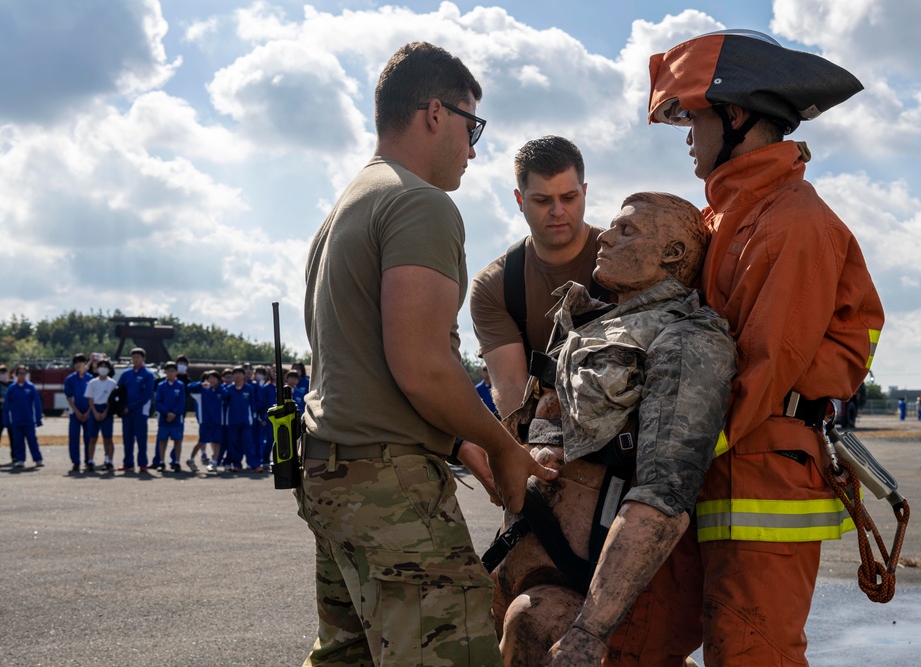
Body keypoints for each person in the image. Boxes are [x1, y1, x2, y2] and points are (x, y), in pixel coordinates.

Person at [301, 41, 555, 666]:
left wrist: (454, 442)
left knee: (348, 656)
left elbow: (367, 366)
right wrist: (502, 445)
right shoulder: (419, 202)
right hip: (388, 488)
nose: (474, 149)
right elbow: (420, 366)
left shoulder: (352, 201)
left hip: (334, 473)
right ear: (436, 114)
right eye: (475, 127)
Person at [644, 29, 885, 665]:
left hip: (762, 488)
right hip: (707, 476)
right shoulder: (725, 217)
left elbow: (763, 366)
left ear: (737, 115)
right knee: (632, 644)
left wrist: (666, 460)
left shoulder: (791, 221)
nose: (688, 136)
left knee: (752, 654)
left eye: (693, 118)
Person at [492, 192, 734, 666]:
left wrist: (591, 629)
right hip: (515, 566)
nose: (605, 235)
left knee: (534, 621)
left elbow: (664, 496)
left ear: (673, 253)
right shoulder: (587, 323)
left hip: (567, 590)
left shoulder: (688, 339)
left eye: (627, 230)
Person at [470, 136, 608, 420]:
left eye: (569, 198)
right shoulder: (494, 286)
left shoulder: (629, 259)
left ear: (584, 192)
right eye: (542, 200)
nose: (558, 212)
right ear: (520, 201)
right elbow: (512, 391)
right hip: (545, 435)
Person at [117, 348, 155, 472]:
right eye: (133, 357)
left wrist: (130, 407)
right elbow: (119, 391)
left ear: (143, 359)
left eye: (138, 357)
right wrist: (121, 407)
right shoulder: (126, 374)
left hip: (140, 412)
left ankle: (143, 463)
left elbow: (147, 395)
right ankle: (128, 463)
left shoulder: (148, 374)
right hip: (126, 413)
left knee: (141, 439)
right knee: (127, 439)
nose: (135, 359)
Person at [3, 365, 44, 469]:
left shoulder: (30, 387)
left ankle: (38, 459)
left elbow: (37, 404)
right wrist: (6, 420)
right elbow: (6, 406)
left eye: (24, 373)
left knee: (32, 440)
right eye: (20, 373)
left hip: (29, 420)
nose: (22, 375)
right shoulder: (11, 388)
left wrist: (38, 419)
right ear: (16, 375)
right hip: (16, 420)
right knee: (18, 441)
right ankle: (20, 459)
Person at [187, 370, 225, 472]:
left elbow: (227, 395)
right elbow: (189, 387)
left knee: (217, 442)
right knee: (201, 442)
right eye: (209, 378)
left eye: (214, 378)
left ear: (218, 380)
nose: (211, 380)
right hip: (205, 421)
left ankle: (214, 463)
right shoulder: (201, 391)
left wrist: (219, 388)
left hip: (217, 421)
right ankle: (191, 459)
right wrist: (201, 384)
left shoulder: (220, 390)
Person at [85, 358, 118, 472]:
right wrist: (94, 412)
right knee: (92, 437)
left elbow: (113, 400)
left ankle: (109, 460)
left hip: (106, 410)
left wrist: (105, 412)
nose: (102, 369)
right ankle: (90, 460)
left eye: (105, 366)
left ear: (109, 369)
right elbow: (90, 399)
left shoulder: (112, 383)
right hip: (95, 408)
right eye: (101, 366)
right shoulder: (92, 382)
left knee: (108, 437)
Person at [222, 367, 257, 473]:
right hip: (232, 422)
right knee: (234, 444)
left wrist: (254, 417)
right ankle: (237, 464)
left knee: (248, 444)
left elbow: (253, 404)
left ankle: (254, 465)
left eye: (239, 373)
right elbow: (224, 402)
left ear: (243, 375)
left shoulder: (249, 388)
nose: (237, 375)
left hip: (246, 422)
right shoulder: (229, 389)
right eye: (235, 373)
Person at [153, 361, 186, 473]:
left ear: (176, 372)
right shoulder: (161, 385)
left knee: (177, 440)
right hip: (164, 418)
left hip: (177, 418)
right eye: (168, 371)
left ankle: (176, 462)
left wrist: (174, 413)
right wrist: (167, 413)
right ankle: (161, 462)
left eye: (173, 371)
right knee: (162, 440)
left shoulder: (180, 385)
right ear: (164, 372)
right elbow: (158, 402)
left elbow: (182, 402)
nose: (170, 373)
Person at [64, 353, 94, 473]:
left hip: (88, 411)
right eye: (76, 363)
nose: (78, 365)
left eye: (80, 362)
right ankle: (76, 462)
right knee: (74, 437)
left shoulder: (91, 379)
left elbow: (94, 397)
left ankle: (89, 460)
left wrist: (88, 412)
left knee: (89, 437)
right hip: (75, 412)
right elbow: (69, 396)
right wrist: (76, 411)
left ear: (85, 363)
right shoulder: (70, 379)